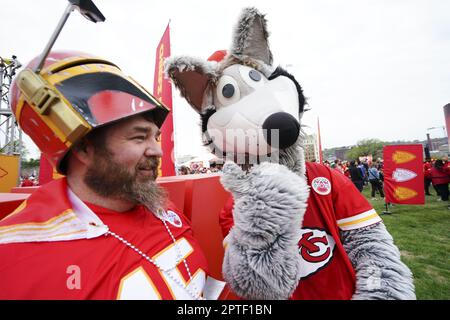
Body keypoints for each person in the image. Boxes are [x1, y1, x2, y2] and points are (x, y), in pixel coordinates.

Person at [0, 51, 218, 300]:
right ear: (83, 147)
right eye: (139, 137)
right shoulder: (17, 255)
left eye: (155, 136)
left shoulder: (162, 207)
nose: (157, 150)